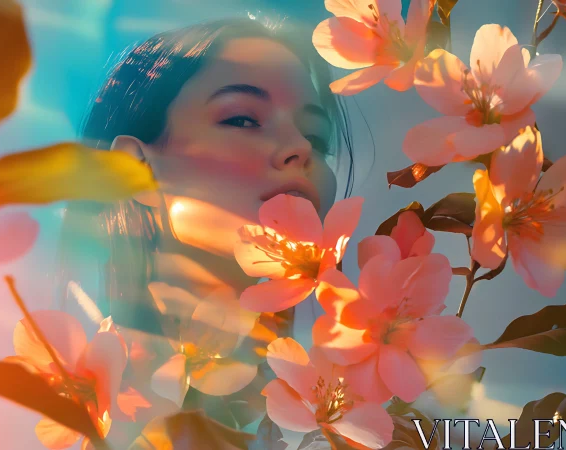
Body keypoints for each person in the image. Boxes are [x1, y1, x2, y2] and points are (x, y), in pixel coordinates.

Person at [52, 16, 359, 436]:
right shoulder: (61, 415)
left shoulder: (371, 409)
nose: (301, 149)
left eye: (317, 138)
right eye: (242, 119)